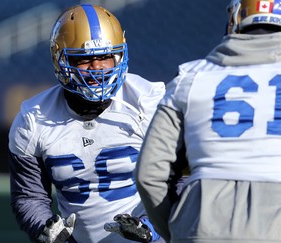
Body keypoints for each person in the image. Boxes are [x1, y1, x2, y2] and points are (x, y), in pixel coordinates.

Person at [8, 4, 166, 243]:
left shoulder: (147, 102)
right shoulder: (34, 119)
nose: (97, 69)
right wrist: (47, 231)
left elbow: (180, 182)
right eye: (85, 60)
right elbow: (29, 197)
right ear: (60, 59)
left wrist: (152, 228)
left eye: (105, 57)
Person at [135, 0, 281, 242]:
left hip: (201, 224)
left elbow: (149, 174)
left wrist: (175, 228)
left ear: (234, 20)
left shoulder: (190, 78)